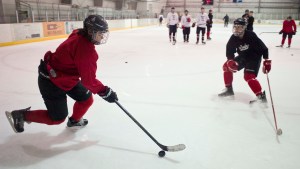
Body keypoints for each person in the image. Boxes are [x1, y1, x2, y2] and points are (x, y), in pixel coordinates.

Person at [5, 15, 118, 133]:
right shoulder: (87, 52)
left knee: (86, 99)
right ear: (89, 31)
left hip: (65, 77)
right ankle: (21, 115)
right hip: (50, 80)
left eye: (103, 33)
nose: (102, 36)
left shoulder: (79, 33)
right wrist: (105, 91)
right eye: (99, 33)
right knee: (57, 118)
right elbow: (89, 81)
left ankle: (74, 121)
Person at [218, 18, 270, 104]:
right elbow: (229, 50)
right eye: (235, 27)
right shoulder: (233, 37)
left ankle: (261, 97)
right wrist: (230, 60)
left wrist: (266, 60)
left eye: (239, 27)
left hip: (254, 57)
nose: (236, 29)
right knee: (226, 66)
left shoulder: (251, 35)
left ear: (244, 27)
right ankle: (229, 90)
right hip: (243, 57)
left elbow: (263, 48)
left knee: (248, 76)